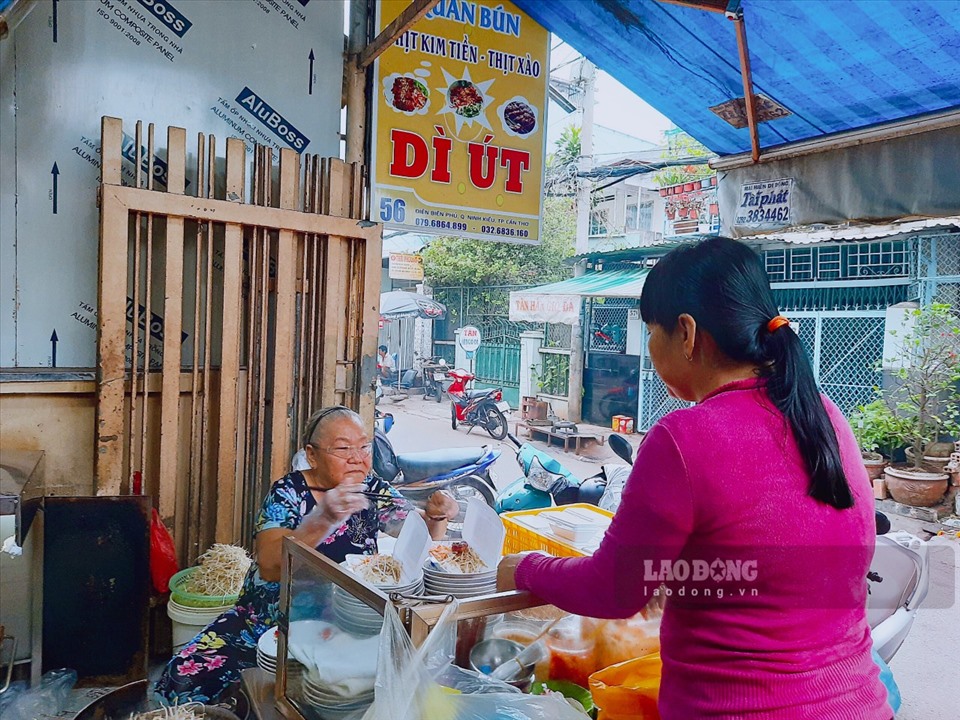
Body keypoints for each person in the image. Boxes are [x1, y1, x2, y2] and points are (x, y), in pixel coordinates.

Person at [497, 237, 891, 720]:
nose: (649, 346)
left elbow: (613, 589)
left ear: (686, 332)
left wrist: (524, 568)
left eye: (650, 331)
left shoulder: (683, 437)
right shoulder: (825, 415)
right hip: (860, 704)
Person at [156, 405, 458, 706]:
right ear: (312, 455)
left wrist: (439, 516)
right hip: (268, 621)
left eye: (364, 446)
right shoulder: (288, 493)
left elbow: (420, 536)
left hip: (345, 623)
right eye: (342, 448)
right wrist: (323, 517)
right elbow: (272, 566)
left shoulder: (373, 490)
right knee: (183, 677)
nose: (357, 457)